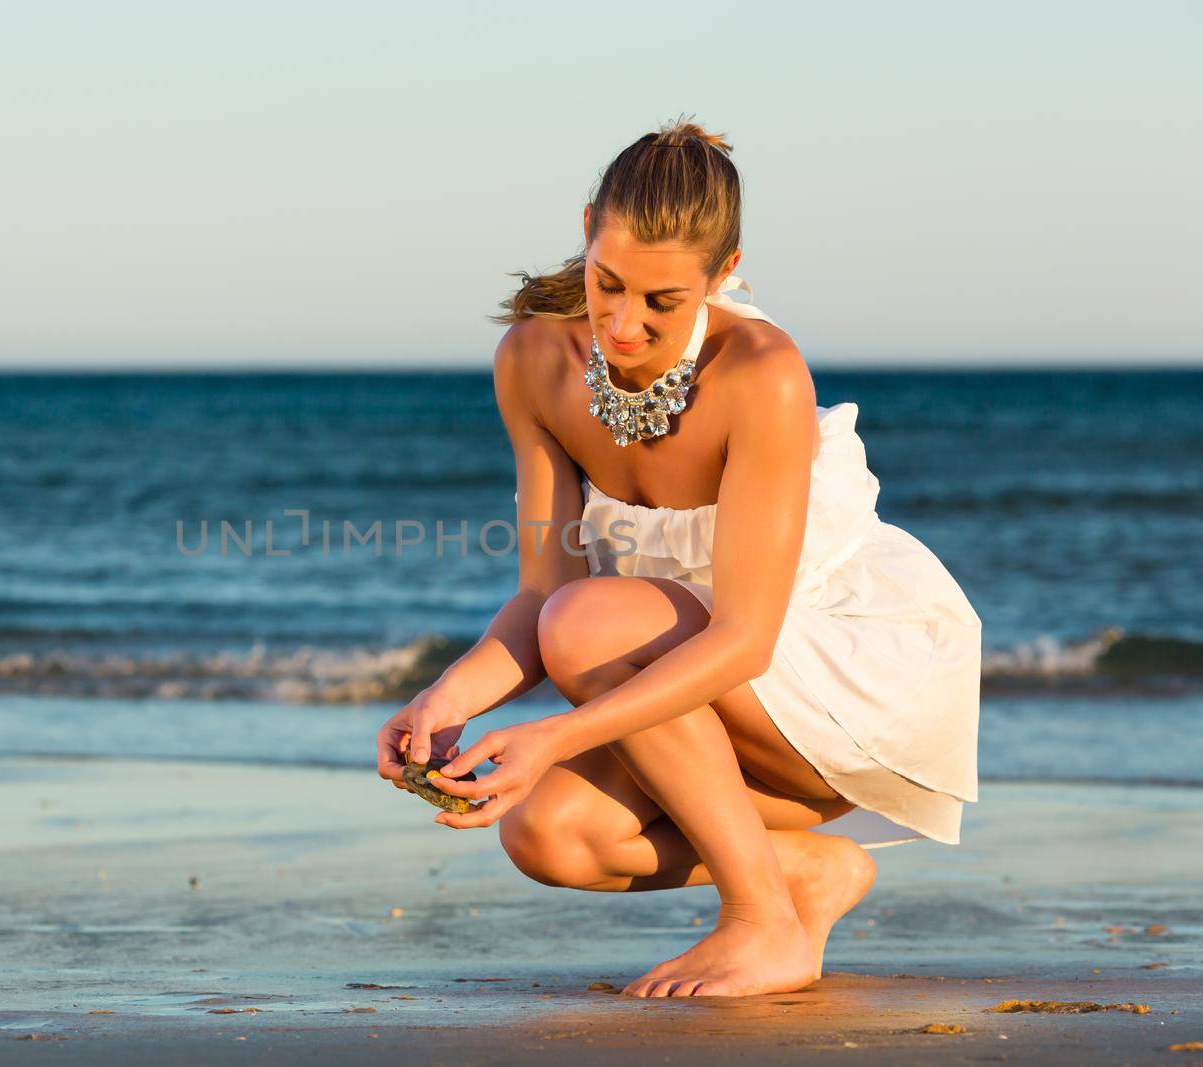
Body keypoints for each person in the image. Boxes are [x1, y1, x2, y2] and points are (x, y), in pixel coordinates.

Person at [375, 116, 982, 999]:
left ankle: (761, 923)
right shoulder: (535, 362)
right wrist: (443, 701)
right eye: (607, 283)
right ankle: (798, 878)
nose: (623, 324)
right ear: (587, 229)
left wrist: (559, 734)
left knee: (585, 623)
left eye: (662, 301)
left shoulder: (760, 372)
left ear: (723, 275)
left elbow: (743, 640)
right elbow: (540, 590)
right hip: (678, 703)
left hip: (826, 691)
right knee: (547, 831)